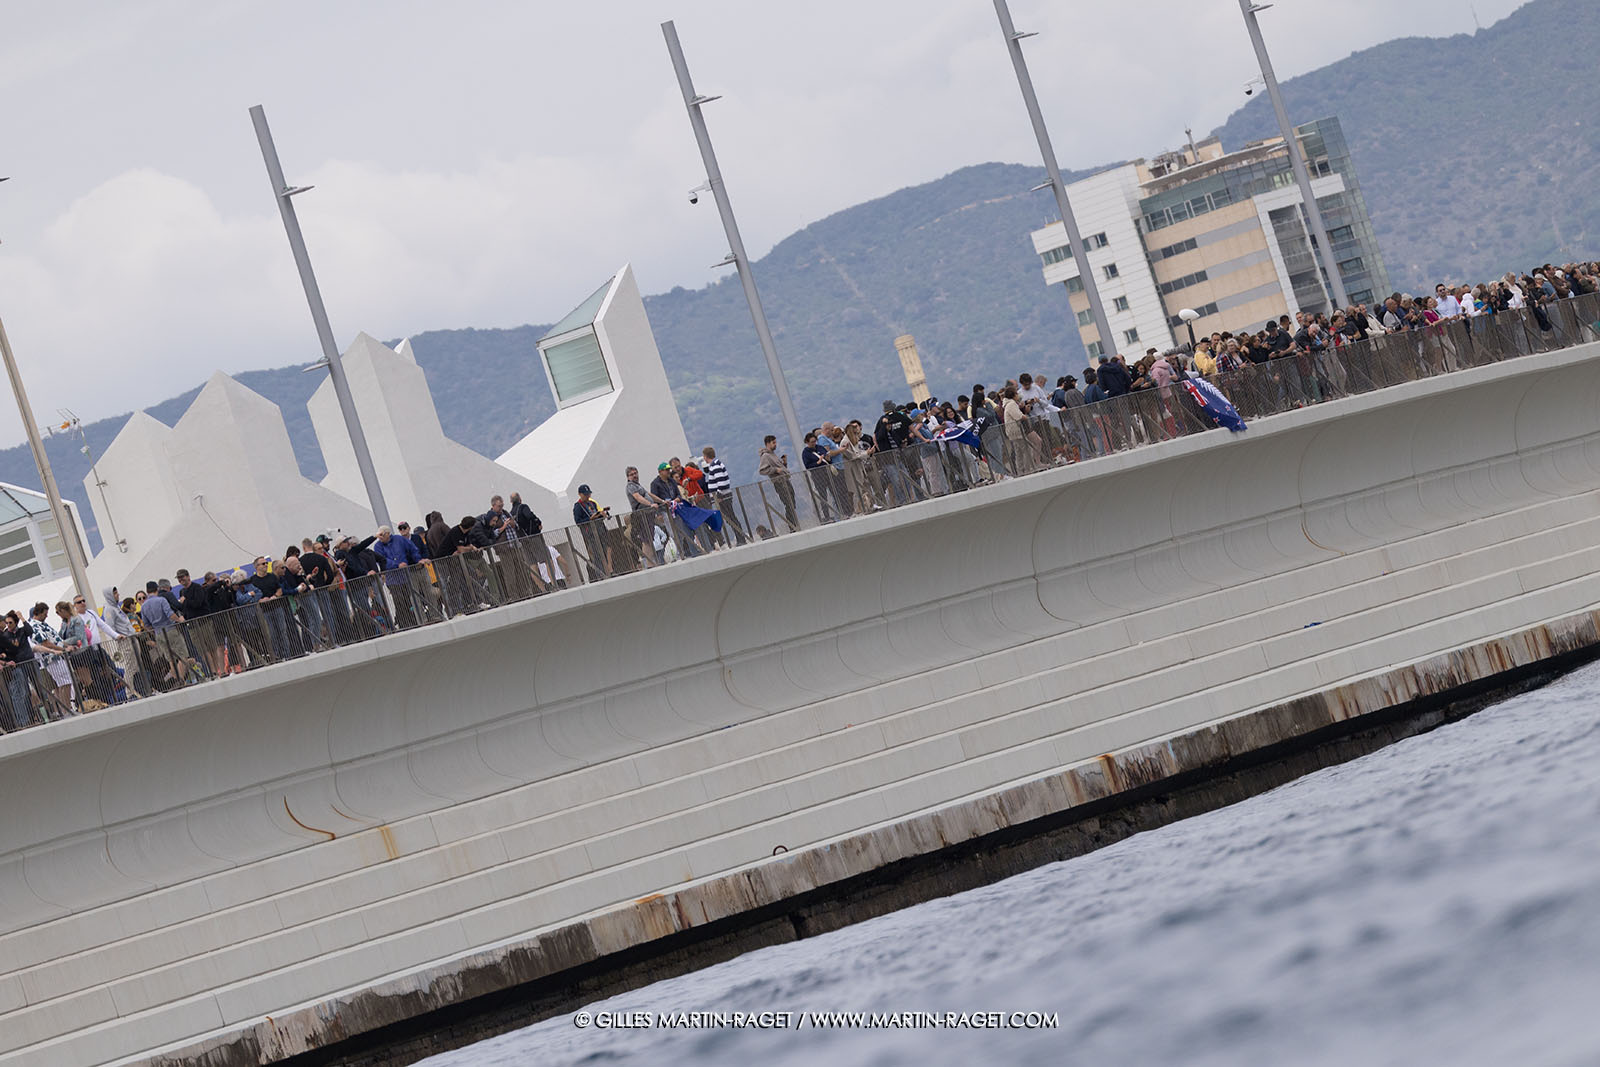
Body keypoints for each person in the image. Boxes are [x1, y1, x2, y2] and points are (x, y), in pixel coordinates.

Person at [700, 446, 749, 547]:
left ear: (705, 456)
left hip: (722, 497)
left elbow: (721, 482)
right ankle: (740, 537)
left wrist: (718, 495)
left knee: (730, 517)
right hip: (723, 496)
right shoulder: (716, 464)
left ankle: (741, 538)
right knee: (730, 517)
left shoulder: (715, 466)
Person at [757, 435, 799, 532]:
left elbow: (780, 468)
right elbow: (762, 470)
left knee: (792, 503)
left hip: (786, 480)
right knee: (788, 503)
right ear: (768, 444)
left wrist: (784, 464)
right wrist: (776, 469)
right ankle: (792, 526)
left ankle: (794, 524)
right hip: (780, 483)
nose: (775, 445)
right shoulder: (765, 456)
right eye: (773, 443)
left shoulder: (772, 454)